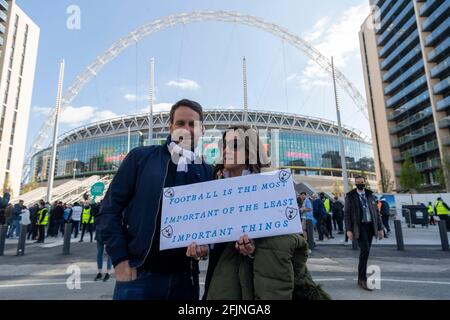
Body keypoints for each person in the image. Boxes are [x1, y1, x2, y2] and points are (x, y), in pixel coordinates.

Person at [97, 99, 214, 300]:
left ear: (201, 130)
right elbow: (109, 210)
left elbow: (209, 221)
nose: (186, 129)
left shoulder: (206, 170)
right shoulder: (140, 158)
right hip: (140, 276)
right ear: (170, 127)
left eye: (192, 124)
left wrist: (204, 249)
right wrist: (120, 260)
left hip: (186, 280)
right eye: (180, 123)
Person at [202, 126, 330, 300]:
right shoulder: (210, 188)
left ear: (250, 151)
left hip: (260, 285)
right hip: (218, 282)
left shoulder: (273, 188)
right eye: (223, 145)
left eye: (234, 145)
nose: (225, 150)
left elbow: (287, 246)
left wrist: (254, 250)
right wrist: (202, 250)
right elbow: (211, 239)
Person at [344, 176, 384, 291]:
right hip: (359, 227)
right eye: (358, 183)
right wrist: (349, 230)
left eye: (362, 182)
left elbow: (376, 212)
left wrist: (380, 228)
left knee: (365, 252)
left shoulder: (370, 195)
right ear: (355, 184)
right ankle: (362, 279)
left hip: (370, 226)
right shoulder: (350, 196)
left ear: (364, 183)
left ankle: (360, 278)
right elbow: (346, 215)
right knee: (365, 250)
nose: (360, 184)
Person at [94, 201, 112, 282]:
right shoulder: (112, 208)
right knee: (108, 254)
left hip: (101, 232)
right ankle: (107, 273)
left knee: (100, 253)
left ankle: (100, 272)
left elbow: (94, 216)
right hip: (108, 232)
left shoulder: (99, 208)